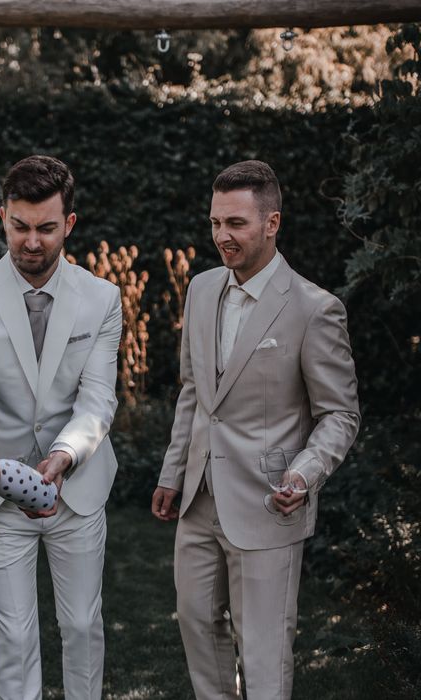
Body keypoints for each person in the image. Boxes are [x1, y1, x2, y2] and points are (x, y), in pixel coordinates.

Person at [152, 160, 360, 699]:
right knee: (198, 627)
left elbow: (339, 414)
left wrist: (305, 474)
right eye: (216, 222)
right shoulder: (200, 291)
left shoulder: (316, 309)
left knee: (264, 653)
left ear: (272, 223)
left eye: (236, 224)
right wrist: (173, 473)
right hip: (199, 499)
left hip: (272, 501)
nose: (222, 236)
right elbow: (195, 393)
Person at [0, 155, 122, 700]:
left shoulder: (102, 299)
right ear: (3, 218)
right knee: (14, 635)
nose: (31, 242)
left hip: (76, 489)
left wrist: (64, 456)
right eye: (19, 227)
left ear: (69, 225)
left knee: (83, 626)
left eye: (45, 228)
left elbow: (98, 399)